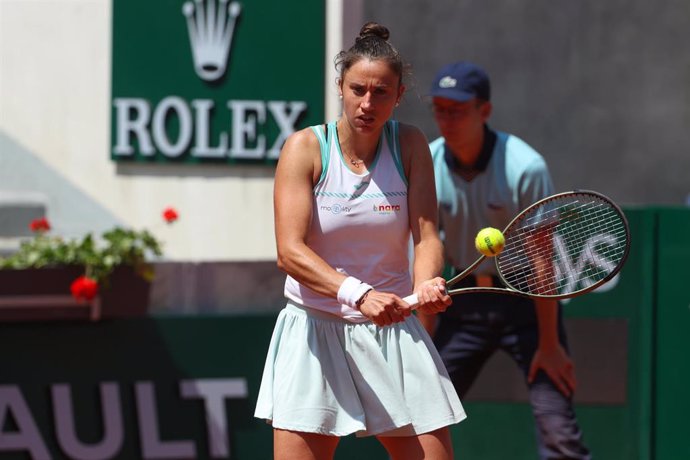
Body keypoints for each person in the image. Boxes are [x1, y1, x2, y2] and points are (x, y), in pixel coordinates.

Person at [254, 23, 466, 460]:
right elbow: (289, 252)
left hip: (392, 333)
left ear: (399, 95)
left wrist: (426, 283)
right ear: (340, 87)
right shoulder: (304, 148)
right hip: (315, 331)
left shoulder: (410, 145)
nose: (368, 103)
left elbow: (426, 236)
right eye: (358, 89)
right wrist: (360, 294)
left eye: (381, 92)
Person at [417, 60, 592, 460]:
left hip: (526, 306)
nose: (446, 119)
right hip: (461, 305)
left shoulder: (524, 167)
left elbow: (543, 262)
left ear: (485, 111)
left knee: (559, 434)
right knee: (420, 416)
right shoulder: (426, 162)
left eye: (457, 109)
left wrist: (549, 344)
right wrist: (424, 336)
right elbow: (425, 247)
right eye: (439, 109)